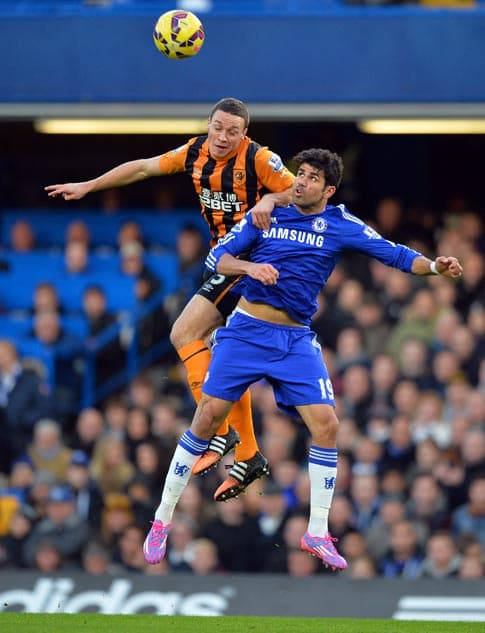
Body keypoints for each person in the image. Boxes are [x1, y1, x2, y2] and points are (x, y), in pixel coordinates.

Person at [142, 147, 462, 571]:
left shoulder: (341, 224)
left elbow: (396, 254)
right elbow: (219, 257)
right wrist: (249, 269)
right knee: (205, 418)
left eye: (312, 177)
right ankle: (162, 520)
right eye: (300, 173)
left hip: (294, 339)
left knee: (328, 424)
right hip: (246, 331)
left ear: (328, 189)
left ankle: (316, 531)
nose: (301, 181)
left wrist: (436, 268)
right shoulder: (266, 213)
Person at [45, 97, 295, 494]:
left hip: (257, 259)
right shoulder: (195, 151)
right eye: (217, 127)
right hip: (227, 260)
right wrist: (90, 185)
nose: (223, 137)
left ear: (244, 134)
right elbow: (143, 167)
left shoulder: (261, 160)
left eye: (233, 131)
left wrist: (269, 198)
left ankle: (225, 434)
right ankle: (245, 452)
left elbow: (301, 194)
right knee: (221, 353)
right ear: (208, 124)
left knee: (184, 333)